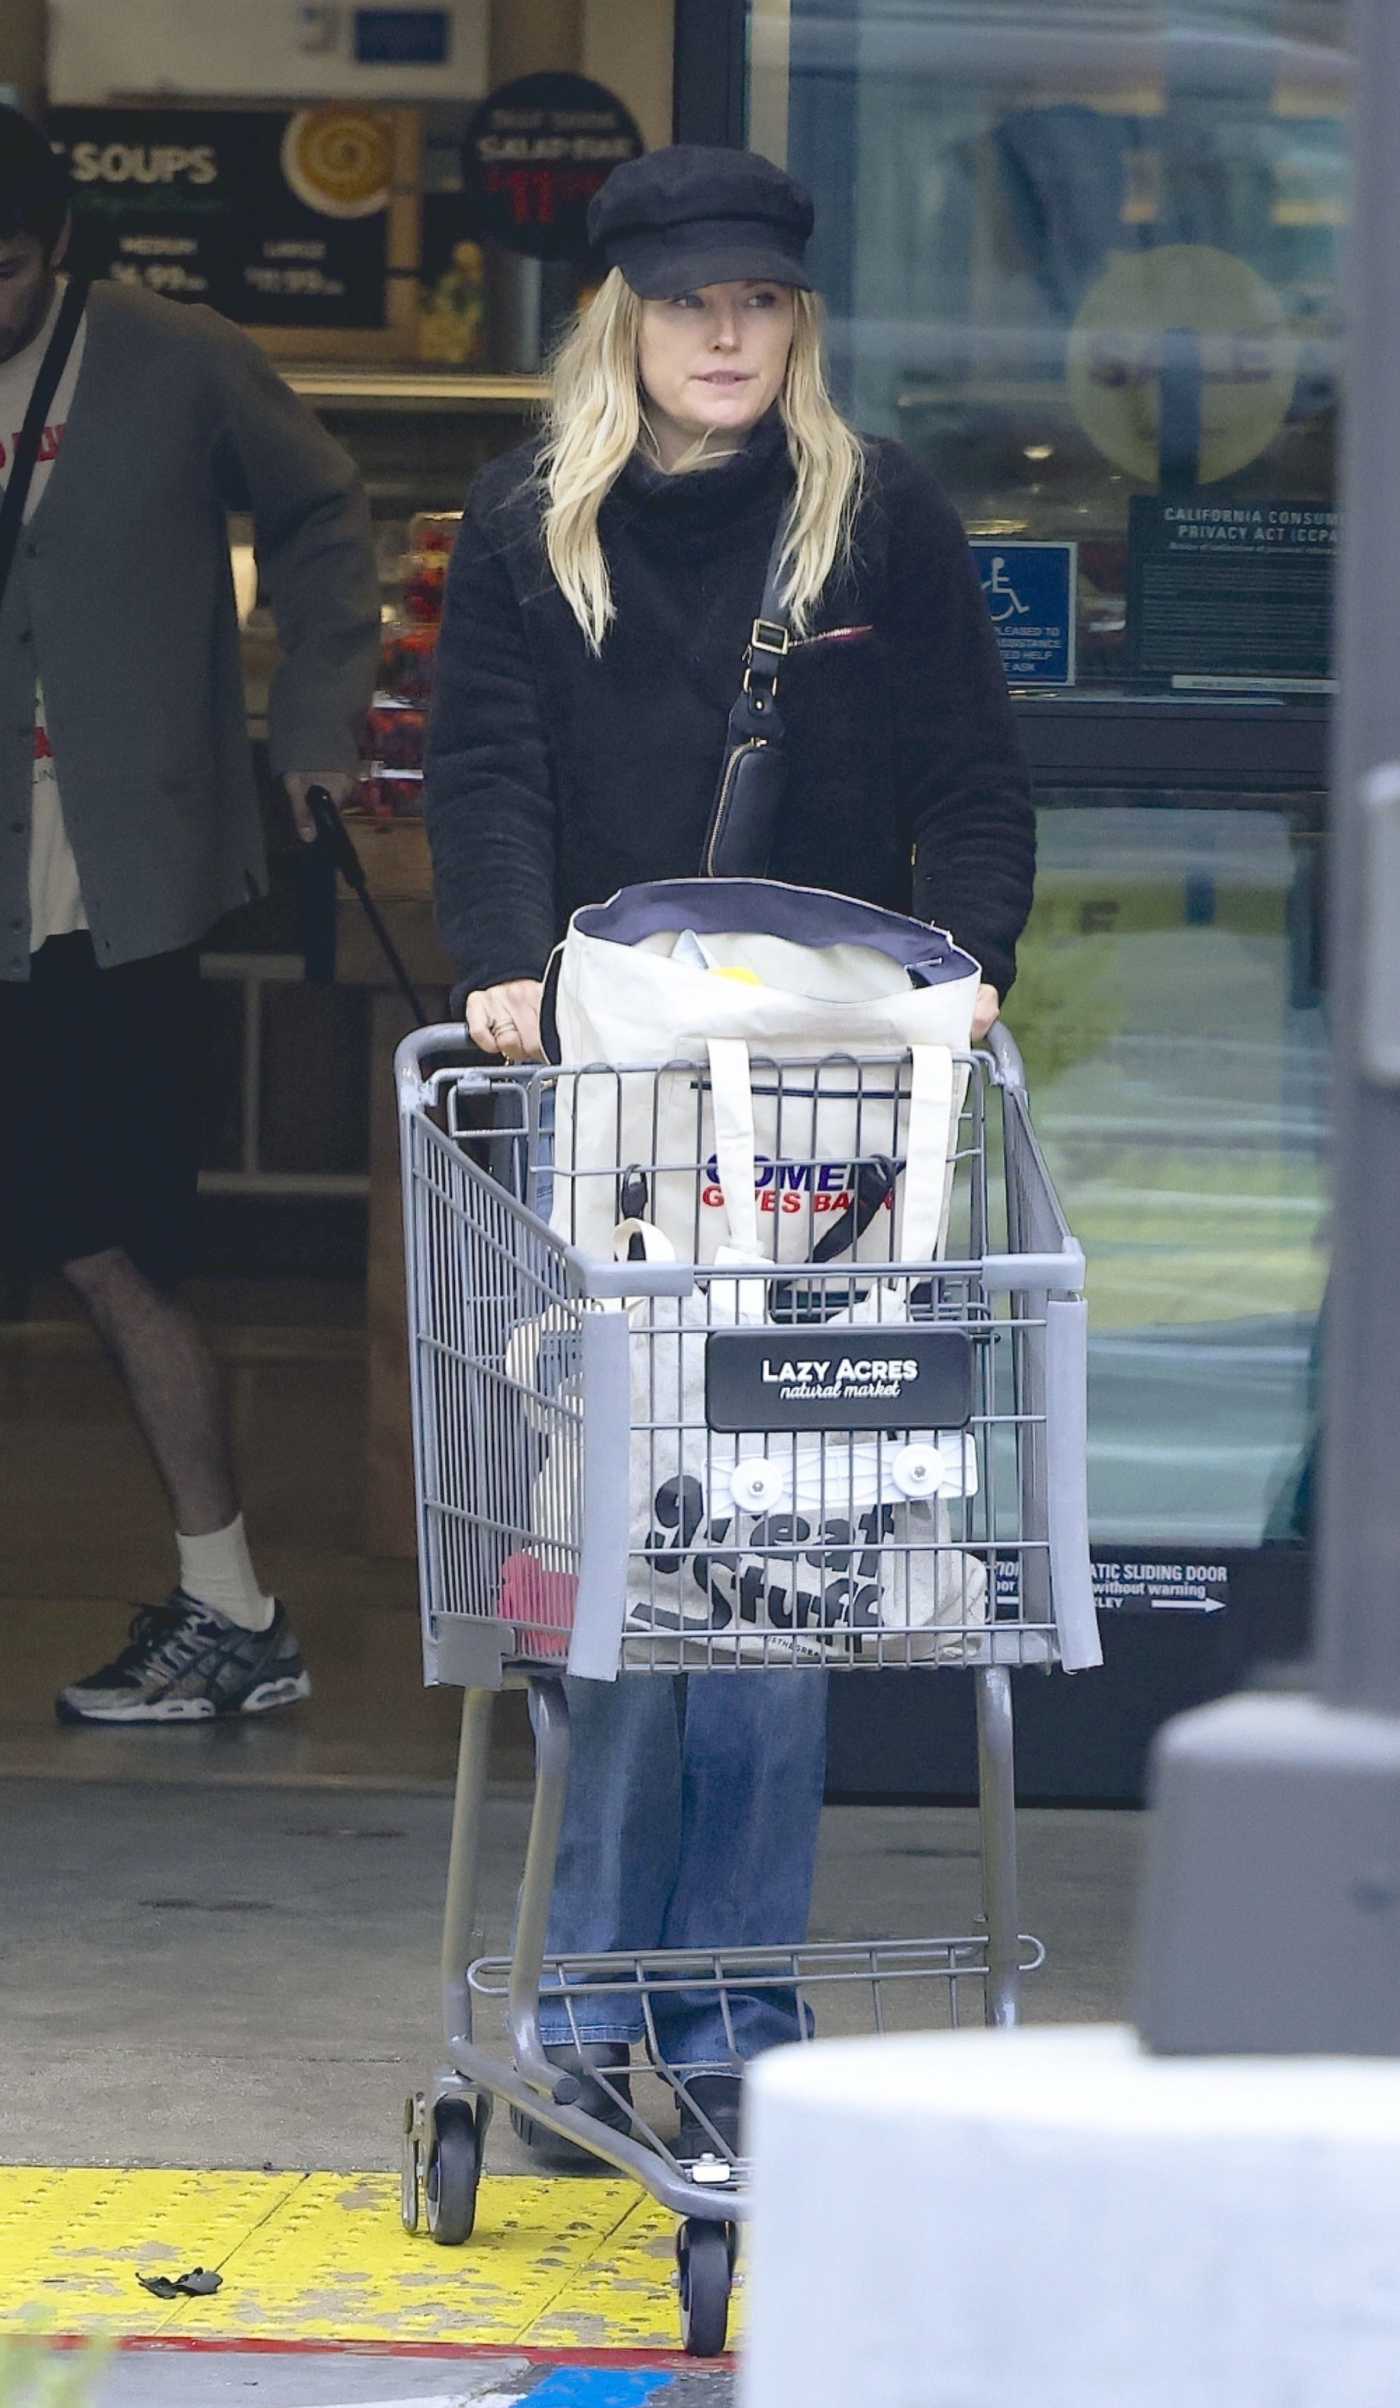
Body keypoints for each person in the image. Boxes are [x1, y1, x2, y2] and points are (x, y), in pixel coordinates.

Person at [423, 143, 1035, 2156]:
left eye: (757, 303)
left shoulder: (880, 517)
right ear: (624, 317)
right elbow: (489, 763)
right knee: (618, 1580)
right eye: (688, 303)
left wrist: (972, 972)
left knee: (775, 1584)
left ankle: (732, 2012)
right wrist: (507, 969)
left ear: (797, 319)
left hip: (825, 1119)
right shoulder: (533, 519)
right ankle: (599, 1990)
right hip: (608, 1103)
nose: (724, 335)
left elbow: (967, 779)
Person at [0, 108, 381, 1723]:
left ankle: (231, 1608)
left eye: (1, 269)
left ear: (61, 248)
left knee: (115, 1248)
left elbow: (326, 515)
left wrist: (315, 723)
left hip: (116, 889)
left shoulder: (174, 358)